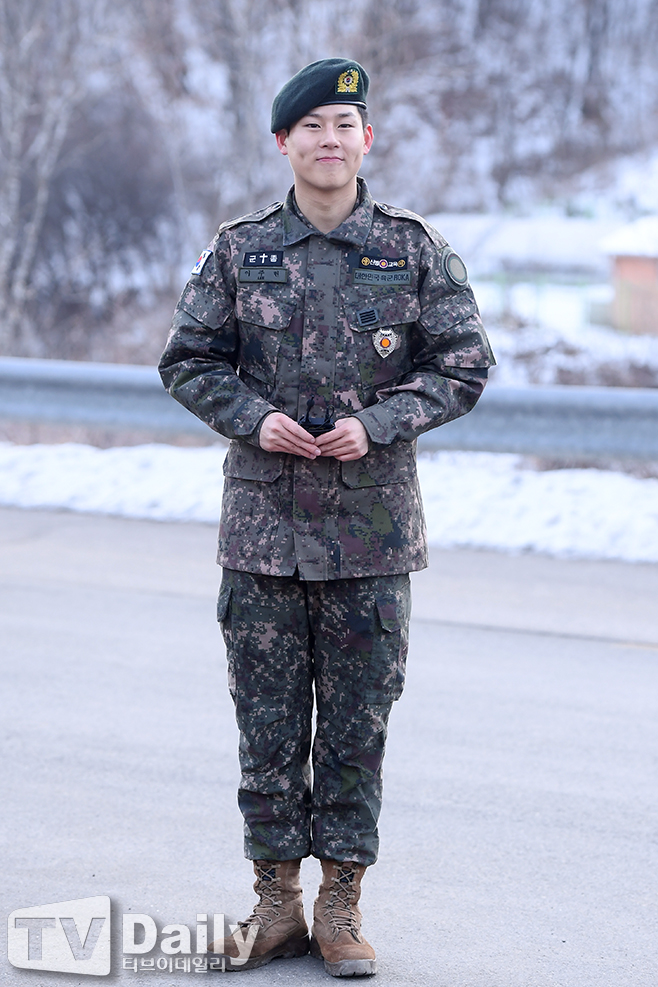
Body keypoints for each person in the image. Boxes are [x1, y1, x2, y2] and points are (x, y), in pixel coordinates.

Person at [159, 57, 494, 977]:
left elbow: (464, 363)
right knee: (266, 725)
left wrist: (378, 424)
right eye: (312, 126)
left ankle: (341, 908)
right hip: (263, 536)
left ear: (366, 139)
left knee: (355, 730)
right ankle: (275, 904)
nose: (329, 140)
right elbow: (188, 359)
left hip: (369, 536)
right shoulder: (240, 251)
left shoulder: (411, 249)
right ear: (285, 142)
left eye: (345, 125)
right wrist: (251, 417)